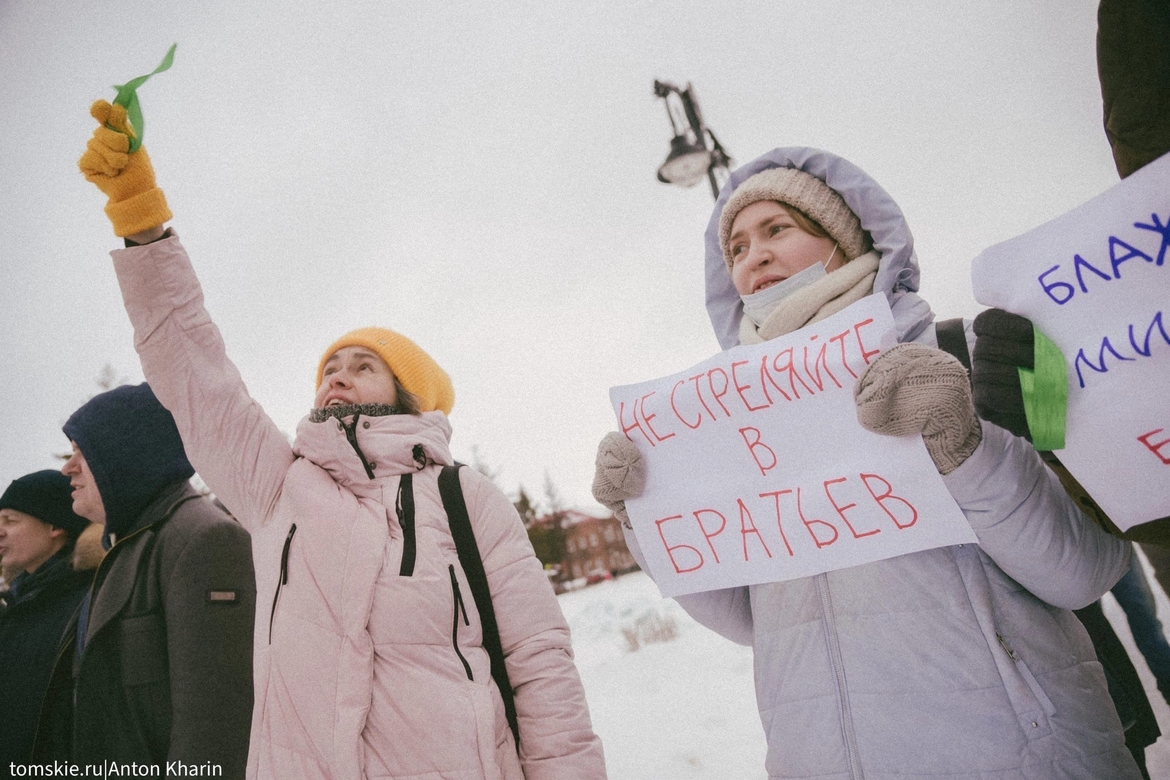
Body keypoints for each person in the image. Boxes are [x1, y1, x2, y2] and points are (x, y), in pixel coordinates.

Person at [76, 98, 606, 780]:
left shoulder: (463, 497)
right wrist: (142, 225)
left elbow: (538, 661)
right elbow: (194, 372)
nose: (339, 376)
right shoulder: (278, 486)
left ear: (407, 395)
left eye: (363, 366)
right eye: (330, 367)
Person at [593, 148, 1140, 779]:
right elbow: (748, 623)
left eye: (778, 230)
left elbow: (1086, 572)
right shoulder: (727, 429)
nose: (754, 258)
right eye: (736, 249)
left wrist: (963, 449)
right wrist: (647, 516)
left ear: (844, 241)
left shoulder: (970, 355)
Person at [33, 383, 256, 778]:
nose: (68, 467)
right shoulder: (127, 541)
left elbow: (213, 724)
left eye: (83, 452)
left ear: (124, 454)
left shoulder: (203, 539)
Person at [0, 470, 96, 768]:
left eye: (11, 521)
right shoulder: (20, 605)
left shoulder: (86, 602)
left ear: (55, 525)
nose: (0, 531)